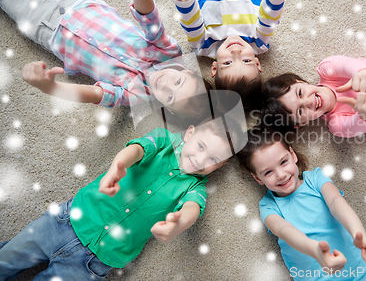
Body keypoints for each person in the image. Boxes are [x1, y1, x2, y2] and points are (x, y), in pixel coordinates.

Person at [0, 116, 246, 279]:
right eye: (201, 146)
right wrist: (118, 166)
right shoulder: (164, 141)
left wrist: (177, 224)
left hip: (95, 260)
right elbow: (138, 148)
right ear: (190, 133)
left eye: (213, 160)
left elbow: (193, 209)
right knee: (8, 258)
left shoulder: (195, 188)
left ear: (220, 166)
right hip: (67, 221)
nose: (200, 160)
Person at [0, 0, 211, 123]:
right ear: (189, 72)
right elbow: (149, 18)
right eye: (179, 83)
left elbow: (97, 95)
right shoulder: (168, 51)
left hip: (47, 28)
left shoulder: (136, 95)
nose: (166, 84)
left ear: (168, 109)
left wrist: (52, 87)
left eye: (170, 97)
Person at [237, 126, 366, 280]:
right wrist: (316, 251)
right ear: (258, 178)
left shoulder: (315, 178)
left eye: (283, 162)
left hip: (361, 273)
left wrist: (361, 236)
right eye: (268, 172)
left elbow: (336, 202)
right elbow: (285, 231)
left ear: (293, 155)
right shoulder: (268, 206)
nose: (280, 175)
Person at [170, 0, 292, 110]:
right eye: (246, 61)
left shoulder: (204, 44)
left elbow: (188, 15)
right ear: (257, 63)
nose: (236, 52)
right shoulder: (258, 41)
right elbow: (269, 16)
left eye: (227, 63)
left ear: (214, 67)